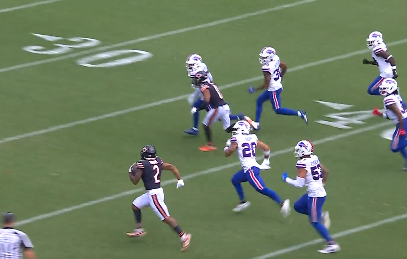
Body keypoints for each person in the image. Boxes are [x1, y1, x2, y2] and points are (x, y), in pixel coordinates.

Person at [126, 145, 191, 252]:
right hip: (155, 192)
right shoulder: (158, 161)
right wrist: (179, 179)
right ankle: (139, 229)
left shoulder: (143, 164)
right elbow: (171, 166)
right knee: (135, 205)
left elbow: (135, 181)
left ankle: (184, 236)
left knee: (166, 218)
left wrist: (130, 172)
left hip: (154, 195)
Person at [281, 140, 340, 254]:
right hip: (316, 193)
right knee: (298, 206)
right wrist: (322, 183)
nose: (297, 152)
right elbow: (325, 171)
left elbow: (299, 184)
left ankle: (332, 244)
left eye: (299, 150)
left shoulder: (302, 164)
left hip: (315, 196)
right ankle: (322, 215)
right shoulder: (314, 158)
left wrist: (286, 179)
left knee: (314, 221)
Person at [224, 120, 290, 215]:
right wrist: (266, 162)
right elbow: (266, 148)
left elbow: (228, 153)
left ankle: (282, 203)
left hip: (250, 170)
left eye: (236, 129)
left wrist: (226, 148)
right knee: (235, 180)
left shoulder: (236, 138)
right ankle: (243, 202)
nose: (235, 131)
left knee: (261, 189)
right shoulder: (252, 137)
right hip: (250, 169)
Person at [248, 47, 308, 129]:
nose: (263, 59)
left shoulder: (266, 68)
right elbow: (284, 66)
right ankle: (257, 124)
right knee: (259, 101)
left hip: (274, 90)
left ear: (270, 57)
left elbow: (266, 85)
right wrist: (281, 75)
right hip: (275, 86)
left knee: (278, 110)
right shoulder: (276, 58)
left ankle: (300, 113)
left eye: (265, 57)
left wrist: (255, 89)